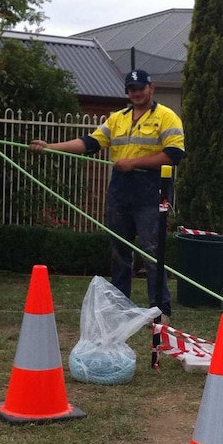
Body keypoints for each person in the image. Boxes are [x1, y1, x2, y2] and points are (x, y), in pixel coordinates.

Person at [29, 69, 184, 323]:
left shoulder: (167, 117)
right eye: (131, 89)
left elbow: (174, 155)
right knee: (119, 252)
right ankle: (120, 309)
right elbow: (89, 142)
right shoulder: (117, 119)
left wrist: (134, 163)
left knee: (152, 252)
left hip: (151, 191)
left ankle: (160, 311)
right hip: (120, 192)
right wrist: (51, 148)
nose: (136, 93)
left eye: (140, 88)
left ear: (151, 88)